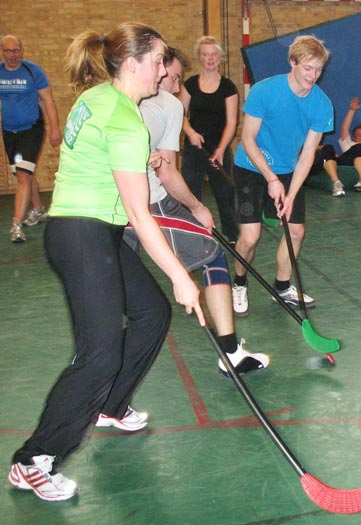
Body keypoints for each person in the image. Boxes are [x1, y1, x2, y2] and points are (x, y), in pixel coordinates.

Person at [7, 23, 205, 502]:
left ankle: (112, 405)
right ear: (133, 64)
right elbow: (139, 211)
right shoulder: (124, 120)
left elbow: (111, 182)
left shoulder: (97, 96)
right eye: (158, 60)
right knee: (98, 355)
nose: (164, 69)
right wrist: (181, 275)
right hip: (83, 236)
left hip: (95, 230)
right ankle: (33, 460)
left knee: (150, 313)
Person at [126, 46, 268, 375]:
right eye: (172, 77)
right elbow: (166, 173)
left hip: (116, 203)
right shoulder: (167, 105)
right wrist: (198, 207)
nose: (175, 85)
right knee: (214, 256)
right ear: (155, 69)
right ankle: (230, 351)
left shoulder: (126, 98)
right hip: (149, 201)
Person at [231, 35, 333, 317]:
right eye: (307, 68)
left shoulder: (322, 105)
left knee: (296, 231)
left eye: (318, 70)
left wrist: (290, 192)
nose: (313, 76)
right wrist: (271, 178)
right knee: (250, 237)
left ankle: (282, 287)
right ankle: (239, 282)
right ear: (292, 62)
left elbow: (308, 153)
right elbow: (248, 139)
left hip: (289, 169)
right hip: (252, 166)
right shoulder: (264, 91)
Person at [0, 35, 61, 243]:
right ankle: (37, 208)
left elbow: (47, 100)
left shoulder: (32, 71)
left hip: (32, 129)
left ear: (22, 50)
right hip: (9, 131)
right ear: (2, 52)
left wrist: (55, 128)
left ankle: (16, 224)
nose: (12, 55)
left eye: (16, 50)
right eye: (8, 51)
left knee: (22, 177)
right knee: (23, 173)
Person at [177, 36, 240, 244]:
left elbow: (232, 122)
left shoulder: (228, 87)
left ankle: (232, 236)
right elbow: (180, 114)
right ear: (200, 58)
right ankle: (191, 233)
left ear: (219, 57)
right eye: (205, 54)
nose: (210, 58)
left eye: (213, 54)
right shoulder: (190, 85)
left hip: (218, 148)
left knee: (225, 194)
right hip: (194, 148)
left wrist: (221, 149)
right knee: (191, 192)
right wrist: (191, 133)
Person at [314, 93, 361, 196]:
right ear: (354, 137)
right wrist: (351, 110)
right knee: (328, 148)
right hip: (346, 160)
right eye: (358, 135)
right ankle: (336, 183)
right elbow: (344, 129)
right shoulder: (350, 144)